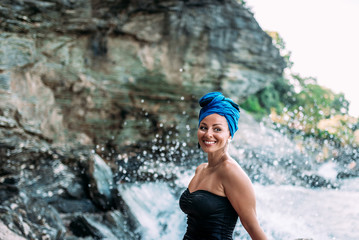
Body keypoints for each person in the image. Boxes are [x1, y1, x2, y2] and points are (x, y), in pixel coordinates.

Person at [179, 92, 267, 240]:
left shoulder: (231, 172)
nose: (208, 134)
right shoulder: (200, 169)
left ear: (230, 134)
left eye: (217, 129)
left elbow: (253, 228)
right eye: (203, 127)